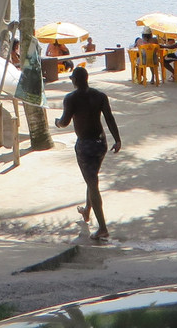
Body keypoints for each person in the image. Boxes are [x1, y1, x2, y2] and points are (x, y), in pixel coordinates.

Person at [55, 65, 121, 241]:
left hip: (85, 145)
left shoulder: (71, 98)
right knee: (91, 178)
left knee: (92, 183)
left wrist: (57, 123)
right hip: (101, 143)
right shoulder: (99, 96)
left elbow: (64, 121)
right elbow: (109, 118)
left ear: (75, 81)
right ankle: (86, 211)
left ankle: (102, 228)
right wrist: (117, 139)